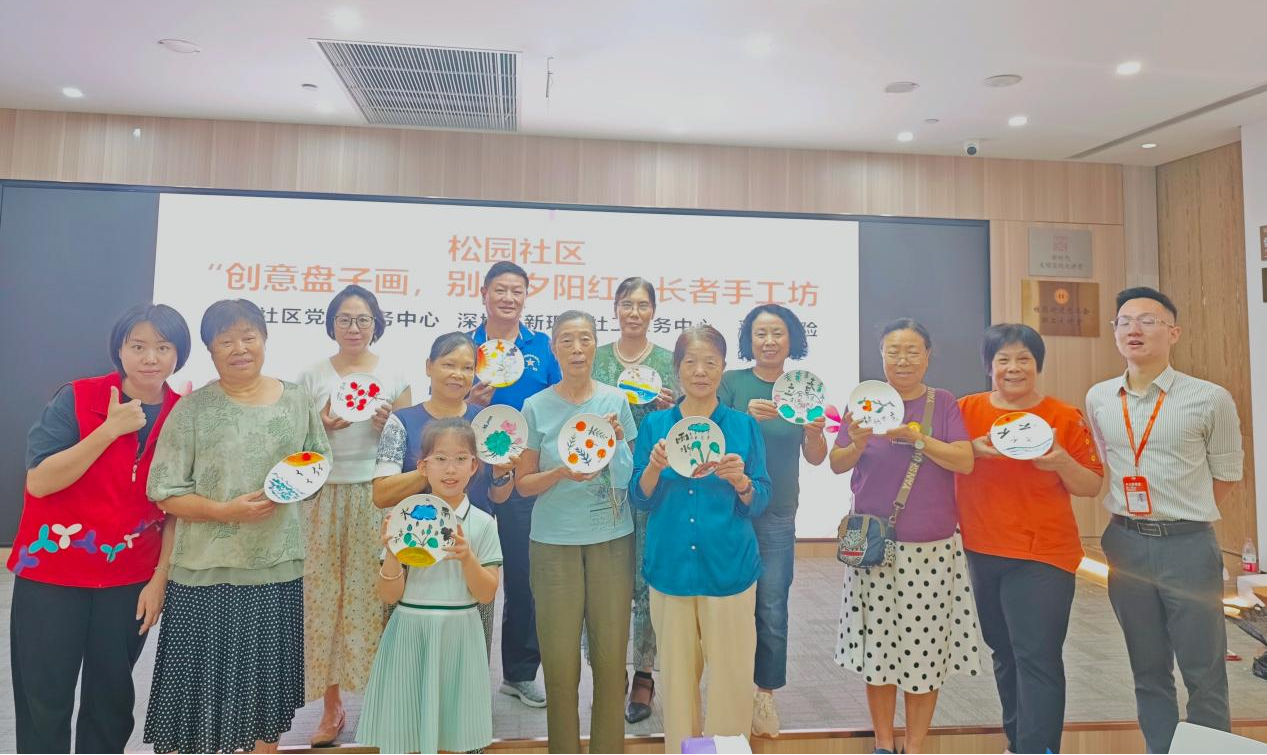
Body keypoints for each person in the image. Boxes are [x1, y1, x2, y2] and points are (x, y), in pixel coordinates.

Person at [144, 299, 331, 755]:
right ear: (210, 350)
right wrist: (225, 511)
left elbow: (317, 463)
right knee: (196, 693)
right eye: (226, 341)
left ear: (265, 339)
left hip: (275, 567)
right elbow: (163, 491)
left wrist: (297, 486)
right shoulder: (192, 409)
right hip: (204, 570)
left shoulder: (296, 400)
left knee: (265, 690)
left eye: (249, 337)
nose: (239, 348)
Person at [9, 303, 190, 754]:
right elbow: (39, 481)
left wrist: (160, 579)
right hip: (51, 575)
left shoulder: (185, 415)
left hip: (129, 580)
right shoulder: (78, 397)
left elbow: (177, 509)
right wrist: (108, 431)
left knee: (110, 702)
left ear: (179, 354)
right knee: (44, 700)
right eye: (138, 346)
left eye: (163, 347)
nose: (150, 358)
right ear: (119, 350)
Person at [1085, 286, 1243, 754]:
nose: (1134, 329)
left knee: (1204, 670)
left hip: (1188, 546)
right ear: (1115, 332)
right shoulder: (1099, 397)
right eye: (1124, 321)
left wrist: (1180, 516)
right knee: (1147, 668)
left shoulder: (1210, 398)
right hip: (1126, 544)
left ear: (1173, 332)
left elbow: (1227, 475)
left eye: (1148, 320)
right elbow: (1106, 458)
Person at [828, 318, 978, 755]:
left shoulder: (941, 403)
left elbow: (964, 460)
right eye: (893, 351)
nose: (903, 359)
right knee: (877, 653)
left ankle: (914, 746)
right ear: (881, 356)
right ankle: (882, 743)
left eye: (912, 350)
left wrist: (917, 439)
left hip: (930, 550)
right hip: (870, 547)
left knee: (923, 654)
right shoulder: (865, 402)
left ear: (928, 356)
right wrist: (856, 442)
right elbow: (837, 463)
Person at [956, 323, 1104, 755]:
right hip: (982, 549)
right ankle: (1018, 742)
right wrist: (970, 449)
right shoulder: (965, 411)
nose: (1014, 368)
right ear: (989, 367)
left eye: (1024, 359)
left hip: (1044, 555)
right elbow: (939, 460)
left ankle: (1039, 749)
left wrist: (1060, 462)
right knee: (1003, 651)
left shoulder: (1063, 415)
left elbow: (1091, 485)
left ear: (1037, 365)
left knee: (1037, 657)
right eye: (1003, 359)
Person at [630, 325, 772, 755]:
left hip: (729, 569)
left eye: (711, 362)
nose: (700, 371)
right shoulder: (656, 425)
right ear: (676, 369)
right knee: (677, 684)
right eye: (690, 362)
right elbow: (639, 497)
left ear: (723, 368)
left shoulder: (742, 427)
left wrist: (742, 482)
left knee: (731, 680)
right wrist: (654, 467)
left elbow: (761, 497)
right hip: (671, 569)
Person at [517, 310, 638, 753]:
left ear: (595, 346)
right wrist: (560, 474)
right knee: (560, 662)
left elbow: (626, 477)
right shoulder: (535, 406)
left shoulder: (615, 400)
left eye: (585, 339)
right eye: (566, 340)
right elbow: (523, 484)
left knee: (610, 658)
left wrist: (619, 443)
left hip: (612, 539)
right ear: (554, 349)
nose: (577, 348)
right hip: (554, 544)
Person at [296, 285, 412, 746]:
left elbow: (409, 443)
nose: (353, 327)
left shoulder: (395, 374)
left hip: (375, 495)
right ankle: (331, 708)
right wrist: (319, 425)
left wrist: (391, 425)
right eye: (344, 319)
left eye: (363, 319)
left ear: (376, 324)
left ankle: (383, 700)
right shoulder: (310, 375)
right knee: (322, 599)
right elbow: (294, 443)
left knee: (375, 597)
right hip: (321, 496)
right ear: (331, 324)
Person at [356, 418, 503, 754]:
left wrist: (467, 558)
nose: (450, 469)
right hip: (410, 631)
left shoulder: (482, 524)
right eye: (440, 459)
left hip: (460, 633)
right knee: (406, 730)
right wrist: (393, 555)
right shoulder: (404, 519)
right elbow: (388, 594)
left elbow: (486, 593)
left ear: (474, 466)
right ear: (423, 467)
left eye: (460, 459)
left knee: (455, 731)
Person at [718, 304, 828, 737]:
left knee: (771, 605)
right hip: (729, 506)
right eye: (760, 333)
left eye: (777, 333)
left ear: (792, 339)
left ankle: (764, 694)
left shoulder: (802, 388)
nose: (768, 341)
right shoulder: (732, 382)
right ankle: (728, 688)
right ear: (749, 340)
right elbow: (712, 436)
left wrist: (815, 433)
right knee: (727, 602)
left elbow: (815, 457)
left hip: (779, 510)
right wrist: (745, 417)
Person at [372, 331, 514, 654]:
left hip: (470, 548)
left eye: (467, 368)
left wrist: (503, 474)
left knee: (468, 653)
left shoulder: (485, 422)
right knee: (409, 654)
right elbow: (381, 494)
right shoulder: (402, 421)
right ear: (429, 366)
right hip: (413, 545)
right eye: (449, 364)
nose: (458, 374)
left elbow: (499, 497)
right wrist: (432, 469)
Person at [468, 261, 562, 707]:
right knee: (464, 570)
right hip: (466, 474)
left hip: (522, 474)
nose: (508, 297)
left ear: (526, 296)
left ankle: (520, 674)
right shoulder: (463, 346)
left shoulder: (542, 348)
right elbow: (439, 406)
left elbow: (559, 404)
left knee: (524, 577)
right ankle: (462, 671)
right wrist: (469, 401)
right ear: (483, 292)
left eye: (517, 290)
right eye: (500, 289)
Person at [590, 276, 677, 724]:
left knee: (647, 573)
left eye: (642, 305)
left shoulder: (668, 361)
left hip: (654, 479)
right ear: (615, 309)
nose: (634, 312)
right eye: (627, 304)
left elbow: (687, 420)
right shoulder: (596, 357)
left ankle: (644, 672)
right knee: (607, 577)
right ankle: (610, 670)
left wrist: (670, 408)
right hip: (600, 482)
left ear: (653, 311)